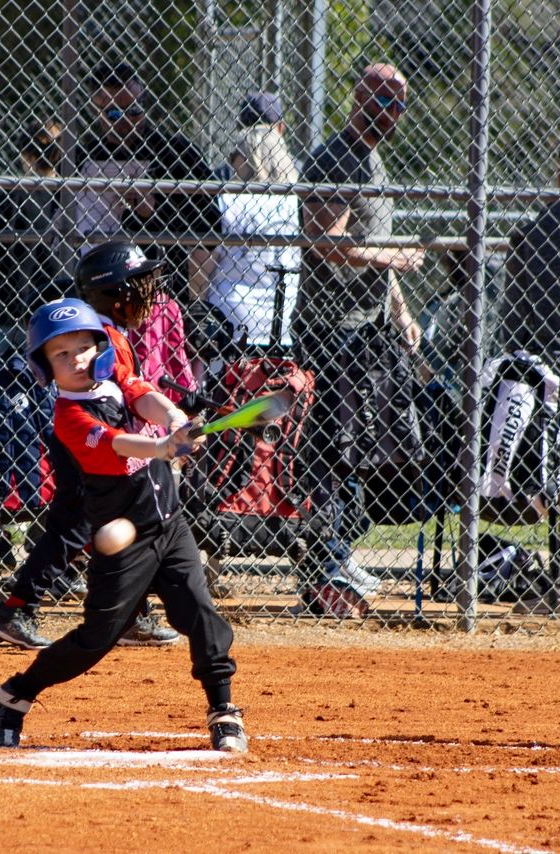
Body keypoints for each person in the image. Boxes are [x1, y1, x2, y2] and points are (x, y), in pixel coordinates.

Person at [0, 298, 245, 753]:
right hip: (126, 542)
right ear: (46, 367)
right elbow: (118, 444)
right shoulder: (68, 418)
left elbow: (142, 393)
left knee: (201, 615)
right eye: (61, 354)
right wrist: (164, 447)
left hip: (170, 526)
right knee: (95, 640)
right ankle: (15, 695)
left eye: (83, 347)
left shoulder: (114, 380)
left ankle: (223, 711)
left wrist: (175, 419)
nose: (76, 359)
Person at [0, 244, 182, 650]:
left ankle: (129, 613)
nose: (148, 293)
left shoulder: (111, 332)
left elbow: (130, 391)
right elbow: (117, 398)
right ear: (114, 292)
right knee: (75, 524)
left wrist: (173, 413)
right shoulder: (101, 334)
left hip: (101, 440)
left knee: (120, 522)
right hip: (86, 442)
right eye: (138, 285)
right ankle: (15, 610)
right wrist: (159, 437)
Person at [294, 63, 426, 605]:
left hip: (368, 326)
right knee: (329, 449)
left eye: (397, 102)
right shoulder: (335, 157)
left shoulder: (374, 160)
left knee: (366, 449)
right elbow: (325, 241)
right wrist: (392, 256)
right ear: (356, 97)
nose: (388, 110)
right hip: (330, 328)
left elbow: (375, 246)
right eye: (380, 96)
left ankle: (339, 552)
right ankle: (324, 561)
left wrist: (402, 313)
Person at [73, 62, 220, 302]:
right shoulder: (81, 158)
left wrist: (154, 211)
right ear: (96, 110)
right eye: (113, 113)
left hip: (160, 287)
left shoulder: (177, 153)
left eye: (135, 109)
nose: (127, 120)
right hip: (94, 287)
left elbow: (211, 224)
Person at [194, 95, 301, 347]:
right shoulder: (296, 202)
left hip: (228, 317)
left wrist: (195, 307)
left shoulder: (225, 201)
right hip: (281, 318)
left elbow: (200, 268)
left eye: (236, 153)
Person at [0, 119, 66, 351]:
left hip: (11, 308)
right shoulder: (70, 197)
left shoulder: (10, 196)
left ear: (26, 156)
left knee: (6, 374)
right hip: (59, 311)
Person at [497, 142, 560, 357]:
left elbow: (514, 323)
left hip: (547, 360)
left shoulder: (535, 231)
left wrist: (516, 349)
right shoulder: (536, 232)